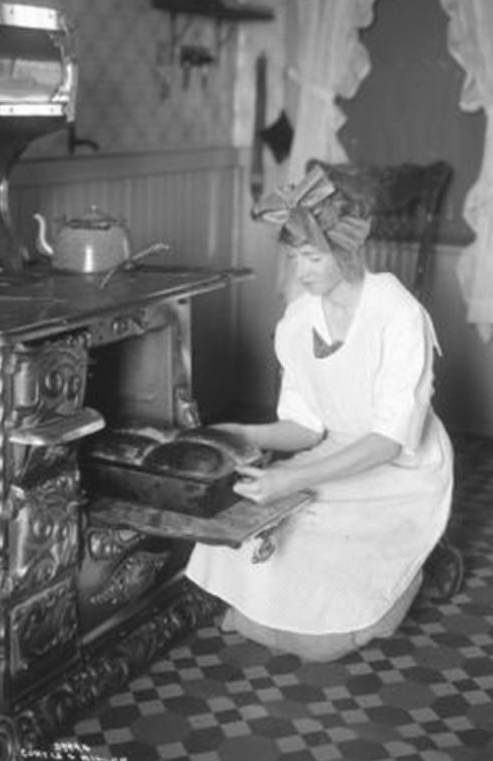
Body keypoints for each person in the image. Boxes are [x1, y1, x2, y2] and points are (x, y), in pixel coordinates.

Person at [185, 160, 454, 662]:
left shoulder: (397, 314)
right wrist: (243, 432)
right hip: (333, 451)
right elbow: (306, 428)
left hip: (400, 466)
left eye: (312, 258)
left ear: (346, 251)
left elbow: (389, 440)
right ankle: (293, 616)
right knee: (254, 532)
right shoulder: (297, 321)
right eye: (293, 259)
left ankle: (398, 583)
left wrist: (289, 482)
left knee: (322, 644)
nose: (300, 272)